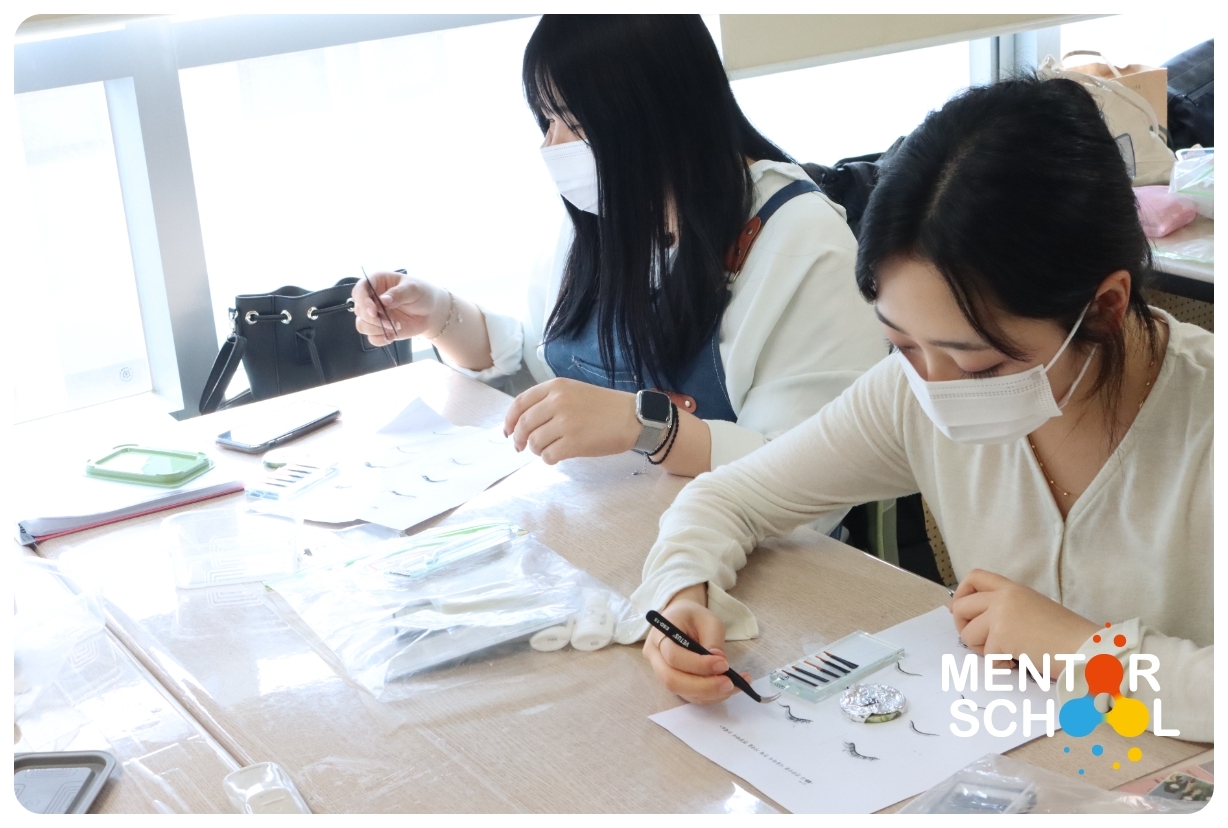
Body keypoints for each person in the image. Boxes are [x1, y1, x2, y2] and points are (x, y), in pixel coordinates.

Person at [632, 77, 1212, 742]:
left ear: (1105, 308)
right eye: (902, 344)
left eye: (981, 365)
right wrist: (680, 595)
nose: (935, 387)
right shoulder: (909, 391)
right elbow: (728, 499)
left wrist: (1081, 650)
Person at [351, 15, 882, 489]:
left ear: (659, 113)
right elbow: (543, 374)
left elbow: (807, 475)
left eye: (576, 125)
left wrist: (645, 426)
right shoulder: (608, 212)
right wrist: (440, 316)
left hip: (747, 552)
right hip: (614, 528)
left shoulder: (802, 243)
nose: (552, 147)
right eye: (546, 120)